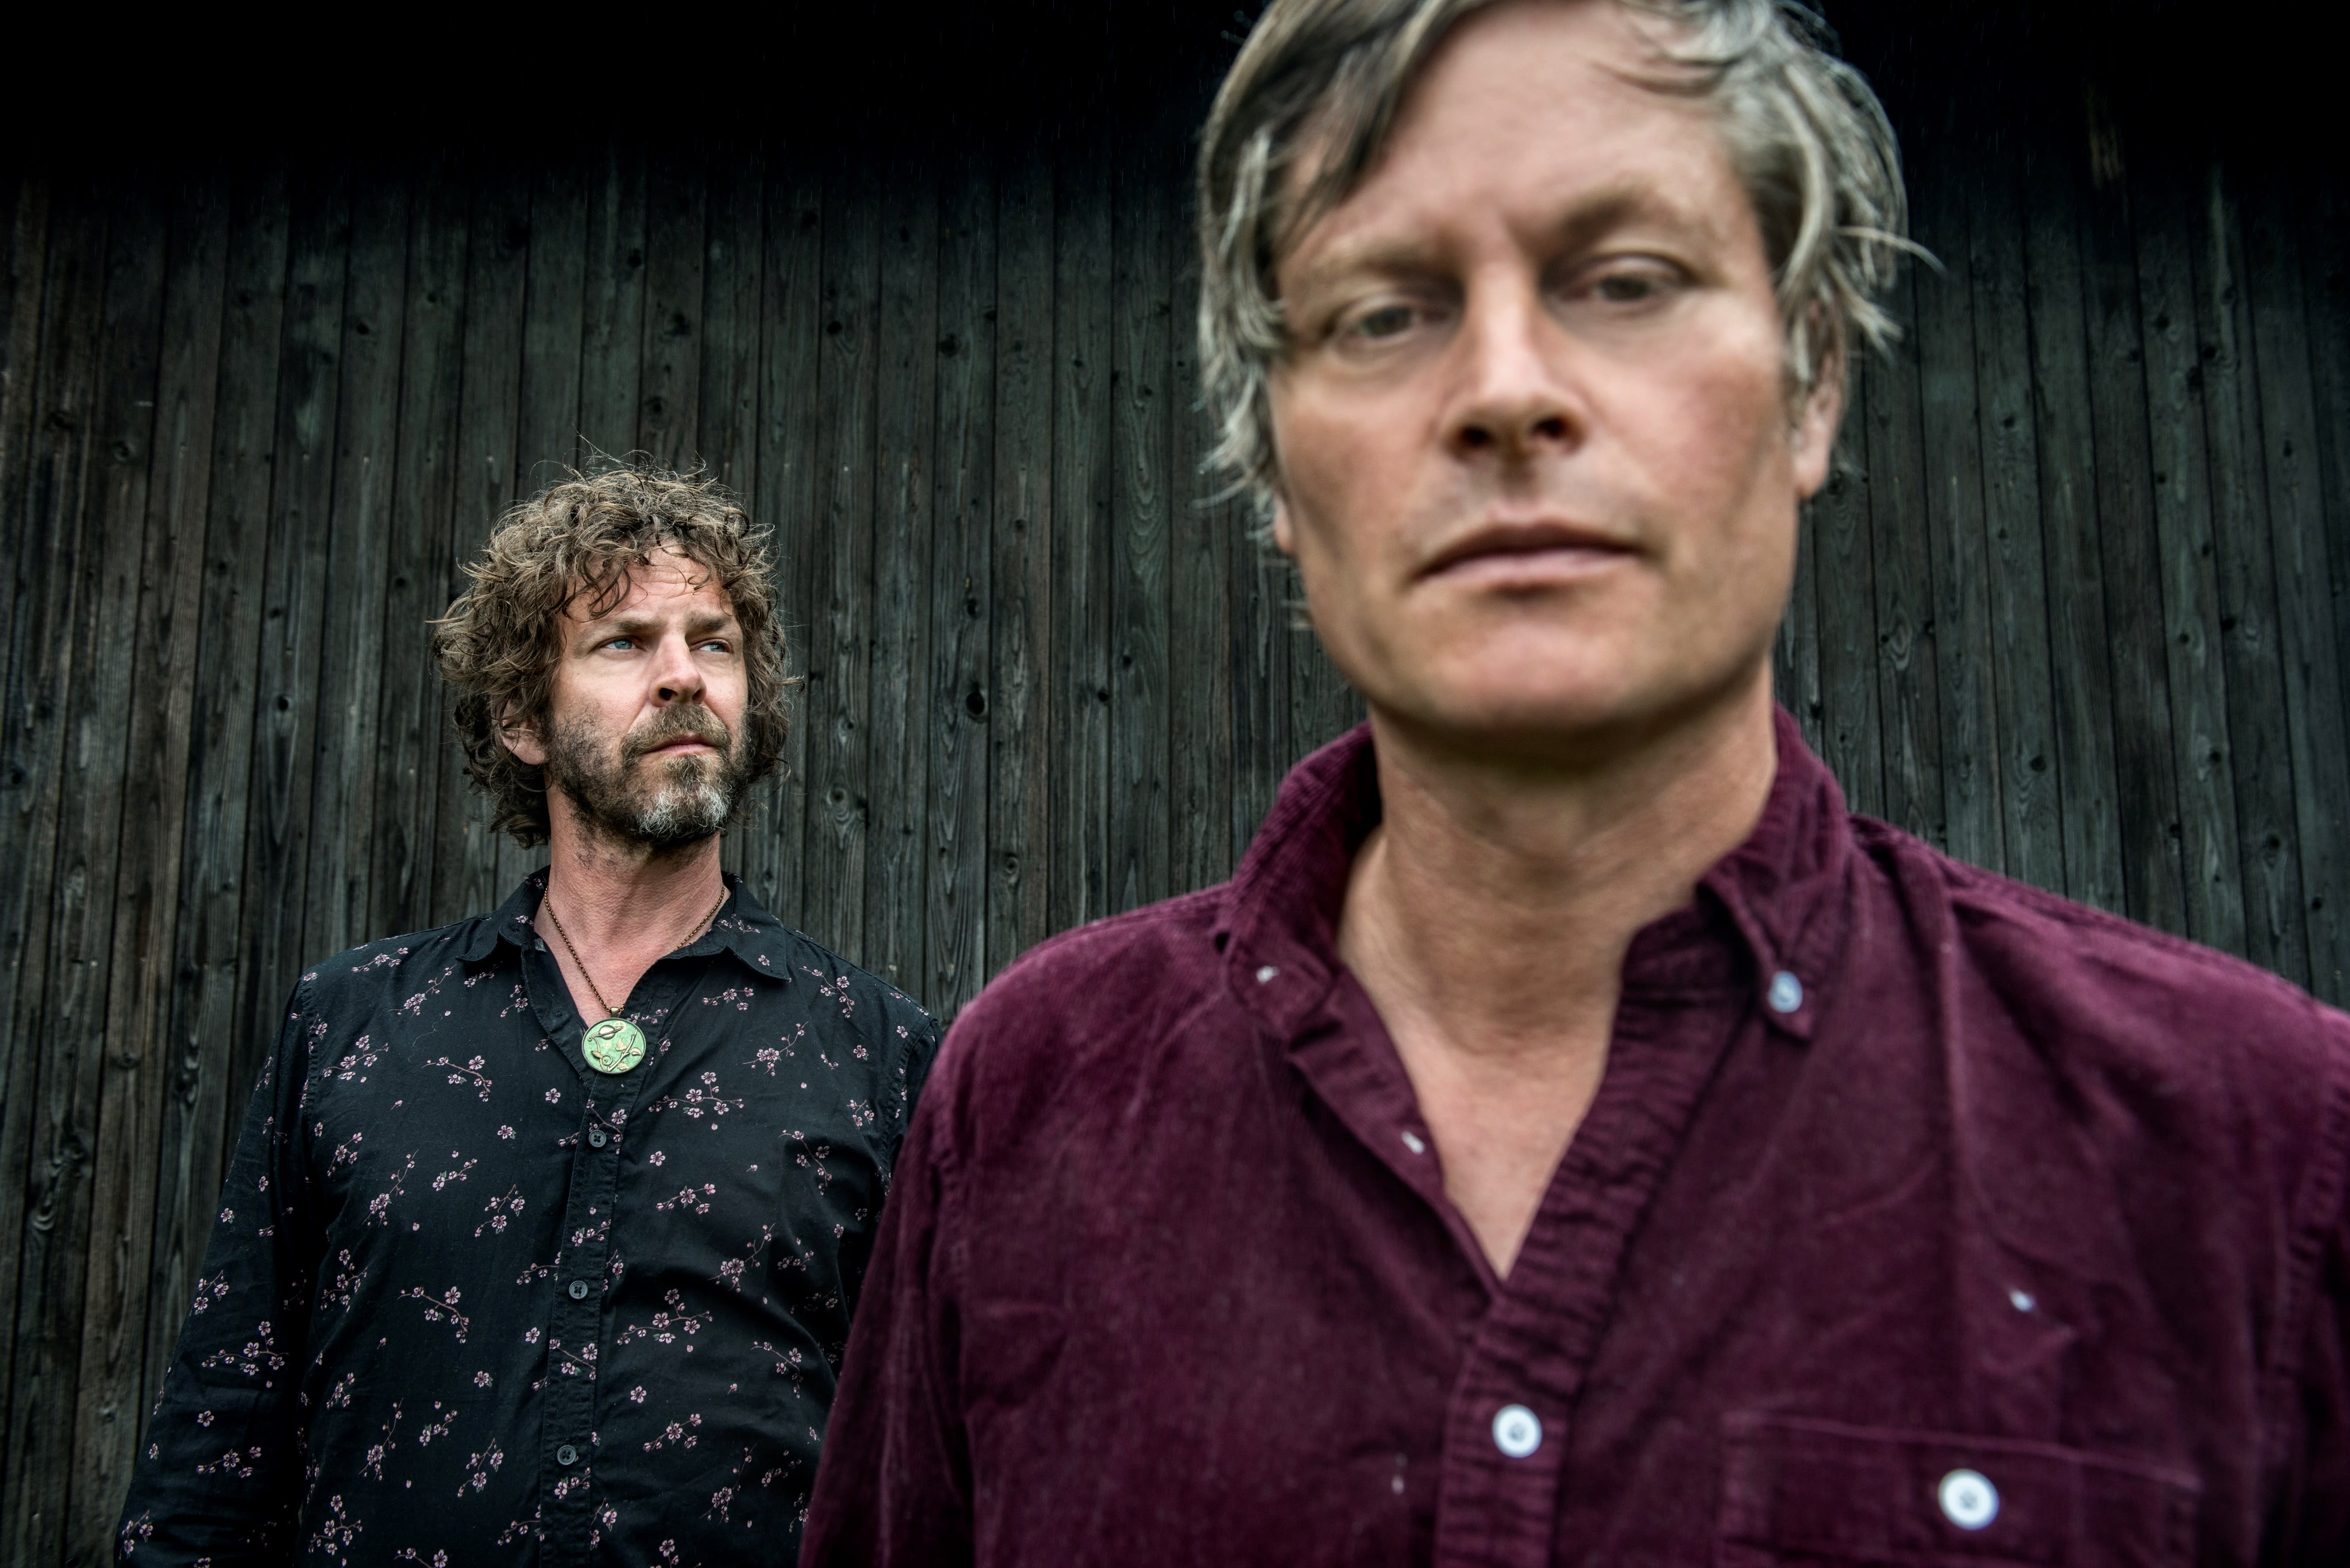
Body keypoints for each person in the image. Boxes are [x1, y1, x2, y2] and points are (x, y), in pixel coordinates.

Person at [799, 1, 2350, 1561]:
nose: (1505, 388)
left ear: (1812, 382)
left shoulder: (2261, 1151)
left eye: (1626, 281)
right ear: (1270, 456)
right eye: (1382, 313)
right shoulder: (1027, 1107)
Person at [120, 466, 938, 1564]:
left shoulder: (875, 1050)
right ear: (521, 716)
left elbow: (939, 1459)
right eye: (624, 641)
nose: (684, 674)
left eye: (715, 642)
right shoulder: (354, 1024)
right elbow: (221, 1434)